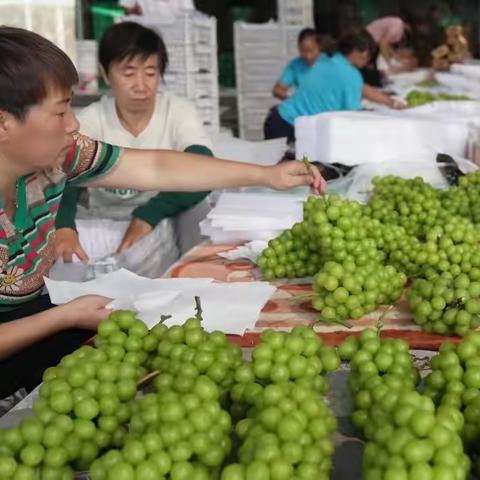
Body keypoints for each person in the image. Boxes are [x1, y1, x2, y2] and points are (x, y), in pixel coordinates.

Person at [0, 26, 325, 398]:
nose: (74, 124)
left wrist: (267, 175)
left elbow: (156, 167)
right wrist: (66, 315)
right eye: (60, 112)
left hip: (33, 319)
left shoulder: (60, 159)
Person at [55, 22, 212, 276]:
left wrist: (148, 215)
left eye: (150, 73)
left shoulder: (178, 112)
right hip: (105, 223)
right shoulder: (92, 119)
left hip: (163, 218)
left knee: (200, 209)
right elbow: (64, 173)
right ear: (106, 74)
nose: (142, 85)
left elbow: (203, 166)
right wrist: (63, 226)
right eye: (129, 74)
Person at [264, 29, 403, 142]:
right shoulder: (350, 75)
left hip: (279, 119)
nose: (367, 61)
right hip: (289, 128)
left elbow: (360, 87)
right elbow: (351, 118)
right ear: (363, 52)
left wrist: (390, 102)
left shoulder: (328, 59)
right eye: (369, 56)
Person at [363, 16, 415, 86]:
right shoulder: (398, 25)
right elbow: (383, 44)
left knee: (372, 71)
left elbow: (387, 46)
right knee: (369, 70)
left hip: (371, 42)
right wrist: (389, 64)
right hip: (367, 42)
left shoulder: (396, 26)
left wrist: (398, 58)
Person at [273, 28, 322, 100]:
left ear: (319, 47)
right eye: (303, 51)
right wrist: (293, 102)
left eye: (311, 51)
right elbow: (277, 90)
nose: (308, 56)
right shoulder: (295, 66)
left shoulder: (328, 64)